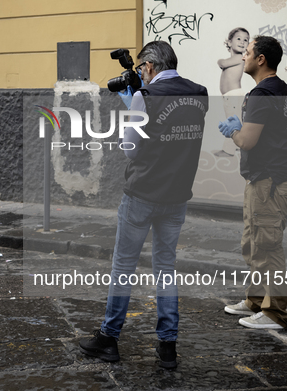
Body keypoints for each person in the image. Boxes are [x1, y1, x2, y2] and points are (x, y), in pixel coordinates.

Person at [79, 41, 208, 368]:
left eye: (140, 70)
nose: (140, 75)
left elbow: (131, 149)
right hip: (177, 196)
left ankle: (109, 338)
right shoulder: (200, 94)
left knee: (123, 266)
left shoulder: (144, 97)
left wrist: (133, 104)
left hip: (142, 194)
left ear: (150, 66)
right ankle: (167, 347)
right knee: (166, 268)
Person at [219, 36, 287, 330]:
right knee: (253, 244)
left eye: (249, 52)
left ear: (261, 59)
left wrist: (233, 131)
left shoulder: (262, 94)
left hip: (270, 182)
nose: (244, 57)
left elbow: (248, 142)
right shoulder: (281, 89)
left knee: (268, 247)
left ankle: (274, 313)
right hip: (265, 180)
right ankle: (255, 301)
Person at [216, 27, 250, 157]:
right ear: (229, 43)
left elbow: (222, 63)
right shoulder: (235, 59)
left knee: (233, 121)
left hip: (234, 95)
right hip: (230, 96)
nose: (242, 42)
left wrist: (219, 61)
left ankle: (228, 150)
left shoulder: (239, 58)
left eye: (245, 40)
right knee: (234, 120)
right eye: (239, 39)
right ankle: (237, 148)